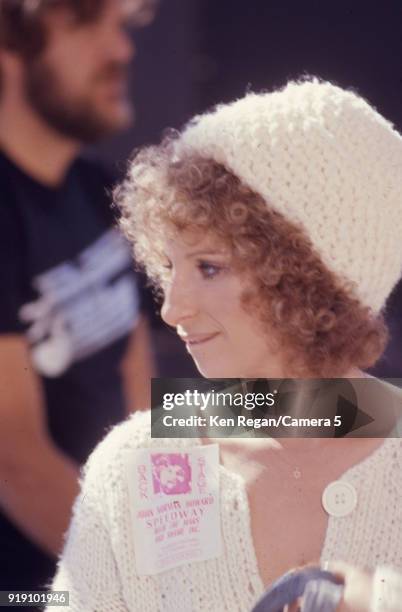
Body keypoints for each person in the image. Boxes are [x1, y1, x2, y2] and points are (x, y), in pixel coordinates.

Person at [48, 80, 402, 611]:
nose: (172, 309)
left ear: (312, 275)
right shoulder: (133, 465)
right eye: (169, 266)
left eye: (209, 267)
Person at [0, 0, 156, 601]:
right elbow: (14, 457)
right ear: (13, 41)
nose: (122, 51)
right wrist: (156, 576)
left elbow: (139, 388)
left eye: (122, 26)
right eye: (89, 24)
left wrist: (341, 411)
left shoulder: (98, 189)